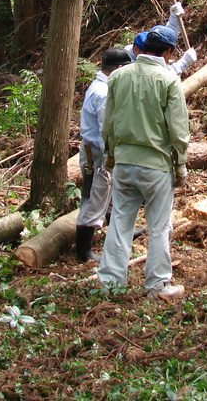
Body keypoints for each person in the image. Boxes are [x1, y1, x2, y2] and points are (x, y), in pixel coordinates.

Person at [98, 25, 190, 300]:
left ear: (143, 47)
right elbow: (178, 129)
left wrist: (111, 155)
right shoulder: (169, 80)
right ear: (170, 52)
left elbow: (109, 124)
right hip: (156, 166)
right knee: (159, 226)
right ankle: (158, 286)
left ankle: (110, 285)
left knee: (119, 223)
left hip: (124, 163)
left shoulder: (118, 77)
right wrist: (181, 163)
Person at [75, 48, 132, 262]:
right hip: (98, 154)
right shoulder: (104, 92)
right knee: (94, 200)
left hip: (99, 152)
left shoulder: (102, 86)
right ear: (117, 69)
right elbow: (104, 131)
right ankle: (83, 252)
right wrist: (113, 156)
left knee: (108, 196)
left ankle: (115, 234)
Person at [125, 2, 198, 76]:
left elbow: (166, 37)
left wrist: (174, 17)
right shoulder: (127, 64)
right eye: (149, 49)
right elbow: (158, 76)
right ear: (136, 49)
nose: (154, 53)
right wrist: (183, 63)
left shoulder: (143, 54)